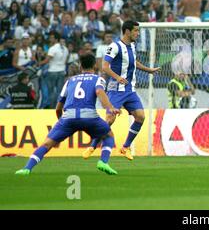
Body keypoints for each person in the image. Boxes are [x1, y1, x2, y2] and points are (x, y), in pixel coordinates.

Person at [15, 54, 121, 175]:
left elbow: (59, 106)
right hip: (89, 116)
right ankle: (103, 161)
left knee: (47, 144)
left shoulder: (70, 80)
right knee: (108, 135)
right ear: (95, 66)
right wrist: (110, 108)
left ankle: (27, 168)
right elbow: (99, 91)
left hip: (68, 117)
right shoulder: (98, 79)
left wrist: (62, 122)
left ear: (80, 66)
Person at [82, 21, 160, 161]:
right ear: (127, 31)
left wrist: (149, 70)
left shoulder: (132, 46)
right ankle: (92, 146)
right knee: (110, 120)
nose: (138, 33)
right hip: (116, 89)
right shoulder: (114, 46)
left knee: (140, 117)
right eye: (136, 31)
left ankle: (125, 147)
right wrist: (117, 78)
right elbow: (105, 67)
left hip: (130, 89)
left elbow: (133, 62)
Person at [39, 32, 69, 108]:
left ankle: (52, 108)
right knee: (59, 92)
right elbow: (66, 61)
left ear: (56, 39)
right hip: (62, 71)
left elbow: (47, 60)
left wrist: (39, 63)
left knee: (51, 92)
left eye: (51, 38)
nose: (50, 39)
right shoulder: (65, 48)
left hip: (52, 71)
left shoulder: (52, 48)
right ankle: (59, 108)